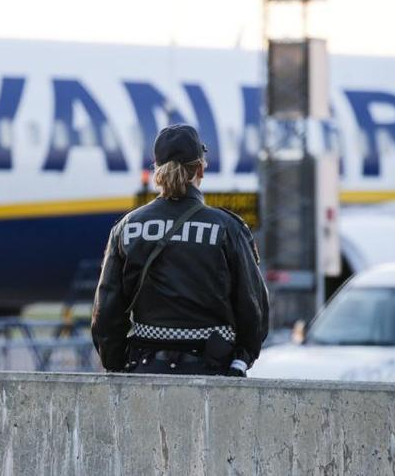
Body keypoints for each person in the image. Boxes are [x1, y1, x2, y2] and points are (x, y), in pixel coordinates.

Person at [91, 124, 269, 376]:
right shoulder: (227, 228)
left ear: (157, 170)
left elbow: (107, 310)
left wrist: (117, 364)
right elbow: (253, 307)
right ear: (200, 169)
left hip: (144, 369)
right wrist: (241, 360)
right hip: (213, 370)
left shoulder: (126, 228)